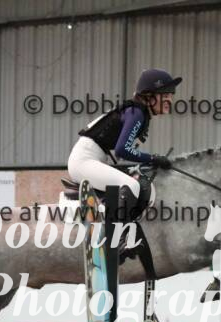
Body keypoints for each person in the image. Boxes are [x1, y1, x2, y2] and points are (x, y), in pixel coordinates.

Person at [67, 68, 180, 221]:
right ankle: (117, 233)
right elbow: (122, 150)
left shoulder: (137, 112)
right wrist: (153, 158)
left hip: (94, 159)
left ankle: (116, 226)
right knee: (131, 186)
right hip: (84, 160)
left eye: (171, 96)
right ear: (149, 96)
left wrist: (147, 162)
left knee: (135, 183)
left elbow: (119, 153)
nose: (170, 101)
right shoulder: (136, 113)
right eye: (165, 95)